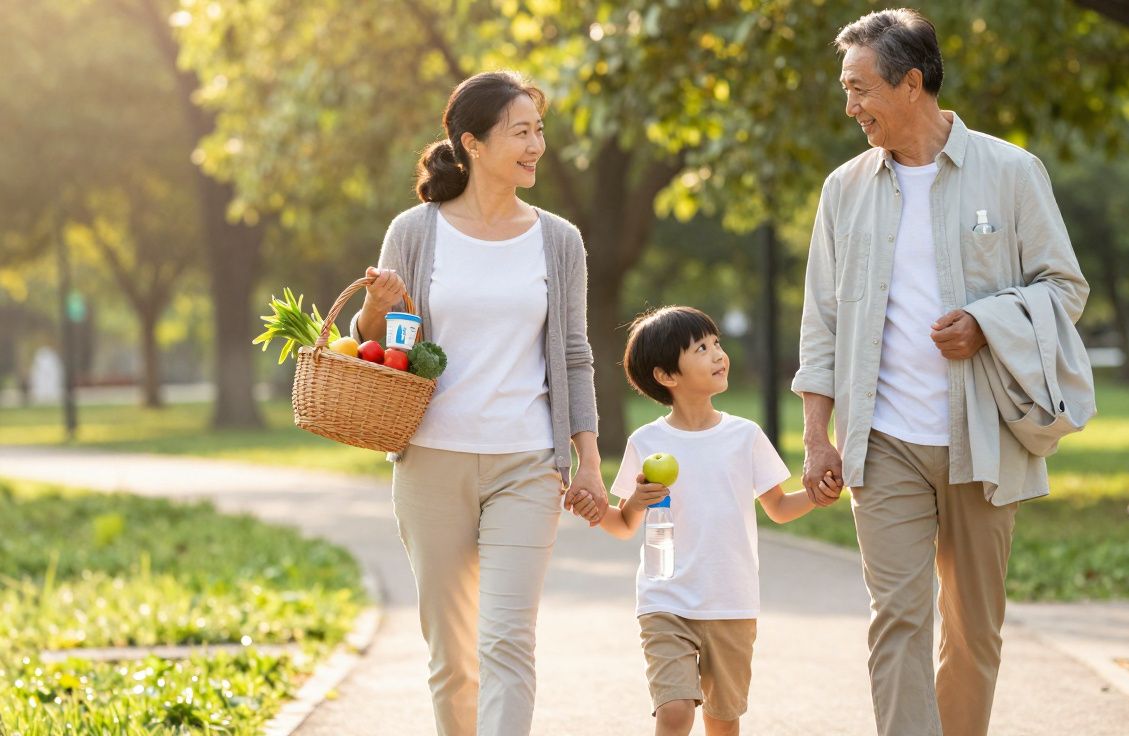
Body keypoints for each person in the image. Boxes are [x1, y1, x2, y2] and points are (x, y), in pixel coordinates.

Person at [792, 10, 1093, 736]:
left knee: (972, 632)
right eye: (846, 89)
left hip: (983, 436)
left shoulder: (1011, 171)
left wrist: (988, 323)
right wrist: (816, 436)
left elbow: (1065, 287)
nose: (850, 106)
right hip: (884, 438)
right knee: (896, 620)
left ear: (912, 82)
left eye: (860, 88)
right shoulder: (845, 189)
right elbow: (822, 319)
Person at [348, 70, 607, 736]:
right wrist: (375, 309)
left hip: (526, 463)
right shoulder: (415, 230)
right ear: (473, 143)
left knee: (507, 645)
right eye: (521, 132)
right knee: (453, 658)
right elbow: (380, 346)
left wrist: (588, 460)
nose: (536, 146)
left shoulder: (559, 240)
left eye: (538, 131)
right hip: (432, 461)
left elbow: (574, 355)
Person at [572, 306, 828, 736]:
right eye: (702, 348)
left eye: (717, 344)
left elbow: (780, 508)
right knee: (674, 712)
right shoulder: (646, 442)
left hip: (731, 601)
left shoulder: (744, 436)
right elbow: (622, 524)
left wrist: (819, 496)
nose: (718, 355)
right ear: (667, 376)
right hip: (665, 599)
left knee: (723, 721)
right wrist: (619, 506)